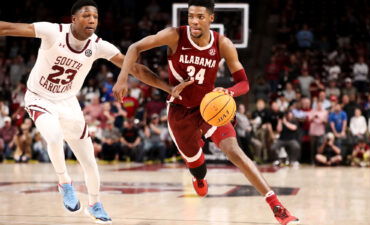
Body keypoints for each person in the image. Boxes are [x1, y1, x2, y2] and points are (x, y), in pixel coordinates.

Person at [0, 0, 189, 223]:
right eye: (86, 15)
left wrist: (168, 88)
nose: (92, 20)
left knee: (89, 161)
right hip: (40, 98)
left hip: (68, 102)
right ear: (73, 19)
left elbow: (136, 69)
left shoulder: (99, 45)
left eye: (96, 17)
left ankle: (95, 204)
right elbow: (9, 27)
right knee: (53, 136)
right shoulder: (53, 31)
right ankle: (64, 183)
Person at [113, 0, 299, 224]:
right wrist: (122, 78)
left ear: (211, 18)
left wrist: (228, 92)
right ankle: (199, 178)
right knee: (197, 168)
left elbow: (244, 83)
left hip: (210, 107)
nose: (194, 21)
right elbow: (135, 48)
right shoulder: (174, 36)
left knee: (236, 152)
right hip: (180, 111)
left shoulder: (223, 44)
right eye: (190, 16)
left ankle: (277, 207)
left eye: (200, 16)